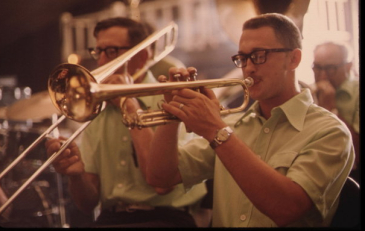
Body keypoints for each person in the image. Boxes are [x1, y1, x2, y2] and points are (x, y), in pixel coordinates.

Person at [146, 13, 354, 227]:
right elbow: (161, 178)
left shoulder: (330, 131)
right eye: (243, 58)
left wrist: (216, 131)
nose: (248, 67)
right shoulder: (234, 124)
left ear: (294, 59)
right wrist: (172, 113)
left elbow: (287, 209)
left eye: (259, 55)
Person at [45, 17, 207, 227]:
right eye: (98, 52)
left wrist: (128, 104)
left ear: (141, 56)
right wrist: (76, 175)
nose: (101, 61)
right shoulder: (97, 109)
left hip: (166, 218)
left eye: (111, 51)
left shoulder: (170, 97)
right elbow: (87, 204)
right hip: (111, 219)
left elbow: (162, 185)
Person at [312, 41, 359, 183]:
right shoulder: (309, 92)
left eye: (331, 68)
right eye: (317, 68)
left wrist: (330, 110)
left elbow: (356, 151)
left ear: (349, 66)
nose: (323, 76)